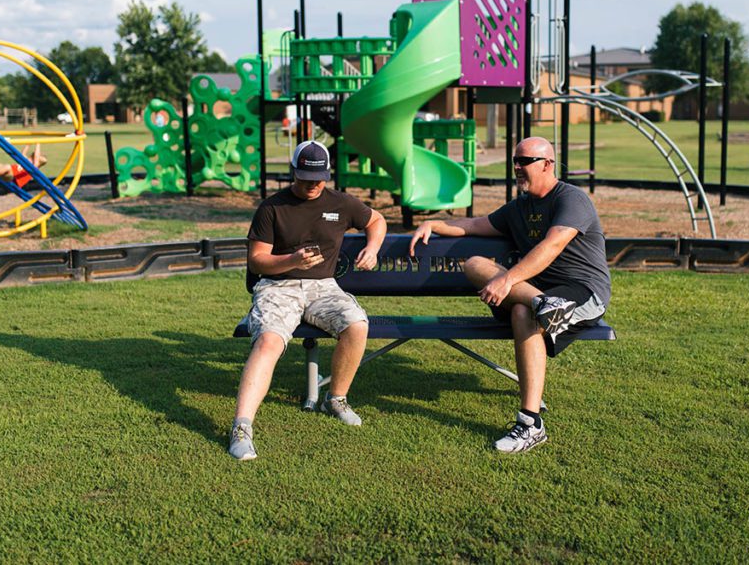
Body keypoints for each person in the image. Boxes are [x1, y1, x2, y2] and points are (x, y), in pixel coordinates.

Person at [409, 136, 611, 454]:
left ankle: (529, 423)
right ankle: (542, 304)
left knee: (521, 312)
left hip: (582, 290)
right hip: (539, 291)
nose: (517, 168)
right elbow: (476, 224)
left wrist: (508, 280)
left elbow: (552, 245)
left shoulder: (571, 199)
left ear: (547, 164)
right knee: (476, 265)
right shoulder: (519, 207)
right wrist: (434, 223)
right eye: (515, 161)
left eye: (524, 161)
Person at [229, 140, 387, 461]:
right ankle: (241, 428)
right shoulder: (271, 207)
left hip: (324, 288)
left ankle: (336, 398)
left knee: (357, 325)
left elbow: (376, 220)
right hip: (277, 286)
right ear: (293, 173)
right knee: (268, 343)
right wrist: (292, 261)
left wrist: (372, 248)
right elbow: (257, 260)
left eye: (318, 179)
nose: (312, 185)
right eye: (304, 178)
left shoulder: (342, 203)